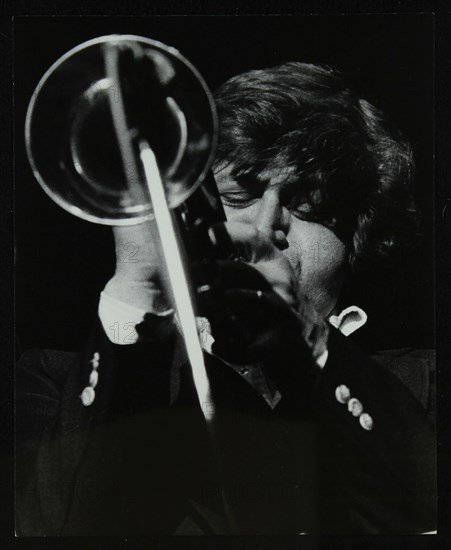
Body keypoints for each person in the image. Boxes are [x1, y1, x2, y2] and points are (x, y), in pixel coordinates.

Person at [15, 62, 436, 535]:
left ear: (359, 239)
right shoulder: (49, 382)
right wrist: (138, 285)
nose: (264, 226)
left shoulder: (423, 388)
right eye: (237, 195)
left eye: (309, 206)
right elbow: (51, 528)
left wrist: (307, 344)